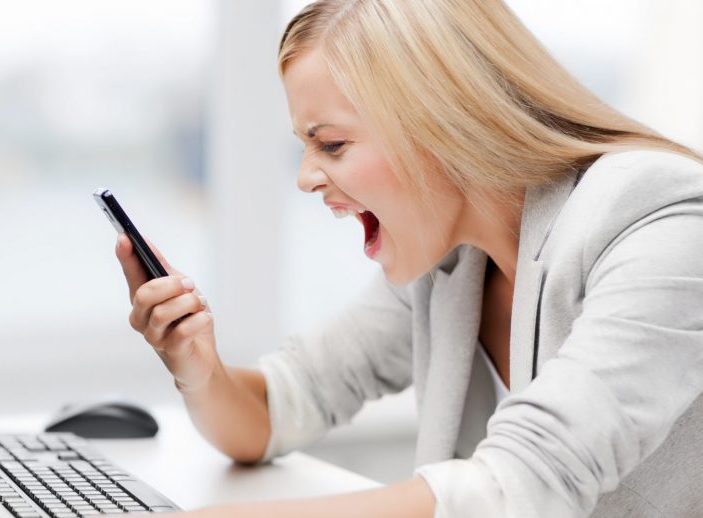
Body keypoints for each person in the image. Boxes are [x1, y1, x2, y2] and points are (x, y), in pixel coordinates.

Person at [115, 1, 703, 516]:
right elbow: (283, 405)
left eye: (332, 144)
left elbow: (527, 482)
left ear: (440, 117)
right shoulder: (451, 262)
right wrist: (197, 366)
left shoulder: (656, 216)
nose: (305, 178)